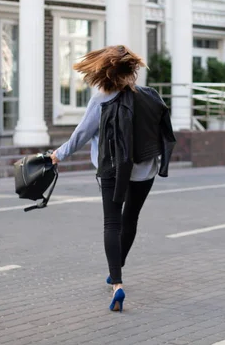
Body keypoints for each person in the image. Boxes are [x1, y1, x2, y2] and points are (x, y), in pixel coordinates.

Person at [51, 45, 176, 312]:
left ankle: (117, 283)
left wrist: (58, 155)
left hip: (111, 170)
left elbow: (82, 134)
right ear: (132, 70)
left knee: (112, 222)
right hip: (144, 171)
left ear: (105, 71)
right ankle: (116, 267)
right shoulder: (150, 96)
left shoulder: (102, 98)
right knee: (131, 219)